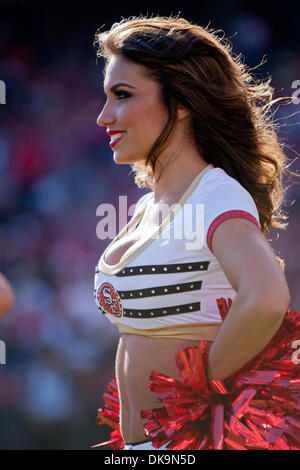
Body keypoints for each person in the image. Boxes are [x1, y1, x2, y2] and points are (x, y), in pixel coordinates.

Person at [93, 15, 298, 450]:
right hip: (143, 447)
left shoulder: (215, 197)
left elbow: (267, 297)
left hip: (189, 444)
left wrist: (199, 392)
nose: (103, 116)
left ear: (181, 102)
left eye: (123, 96)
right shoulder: (151, 204)